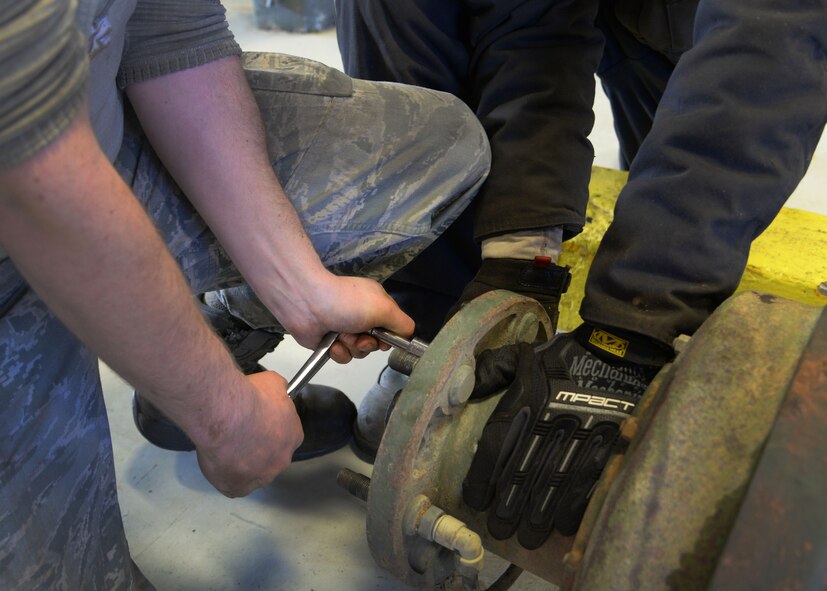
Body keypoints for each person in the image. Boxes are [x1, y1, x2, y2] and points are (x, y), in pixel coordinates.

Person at [0, 0, 490, 588]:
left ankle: (201, 348)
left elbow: (170, 34)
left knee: (437, 145)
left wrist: (300, 285)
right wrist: (223, 416)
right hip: (29, 187)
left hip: (80, 141)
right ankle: (182, 375)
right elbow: (32, 187)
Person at [335, 0, 827, 547]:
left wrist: (634, 324)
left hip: (747, 28)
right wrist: (520, 255)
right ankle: (430, 333)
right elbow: (532, 24)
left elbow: (772, 39)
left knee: (694, 195)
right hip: (638, 18)